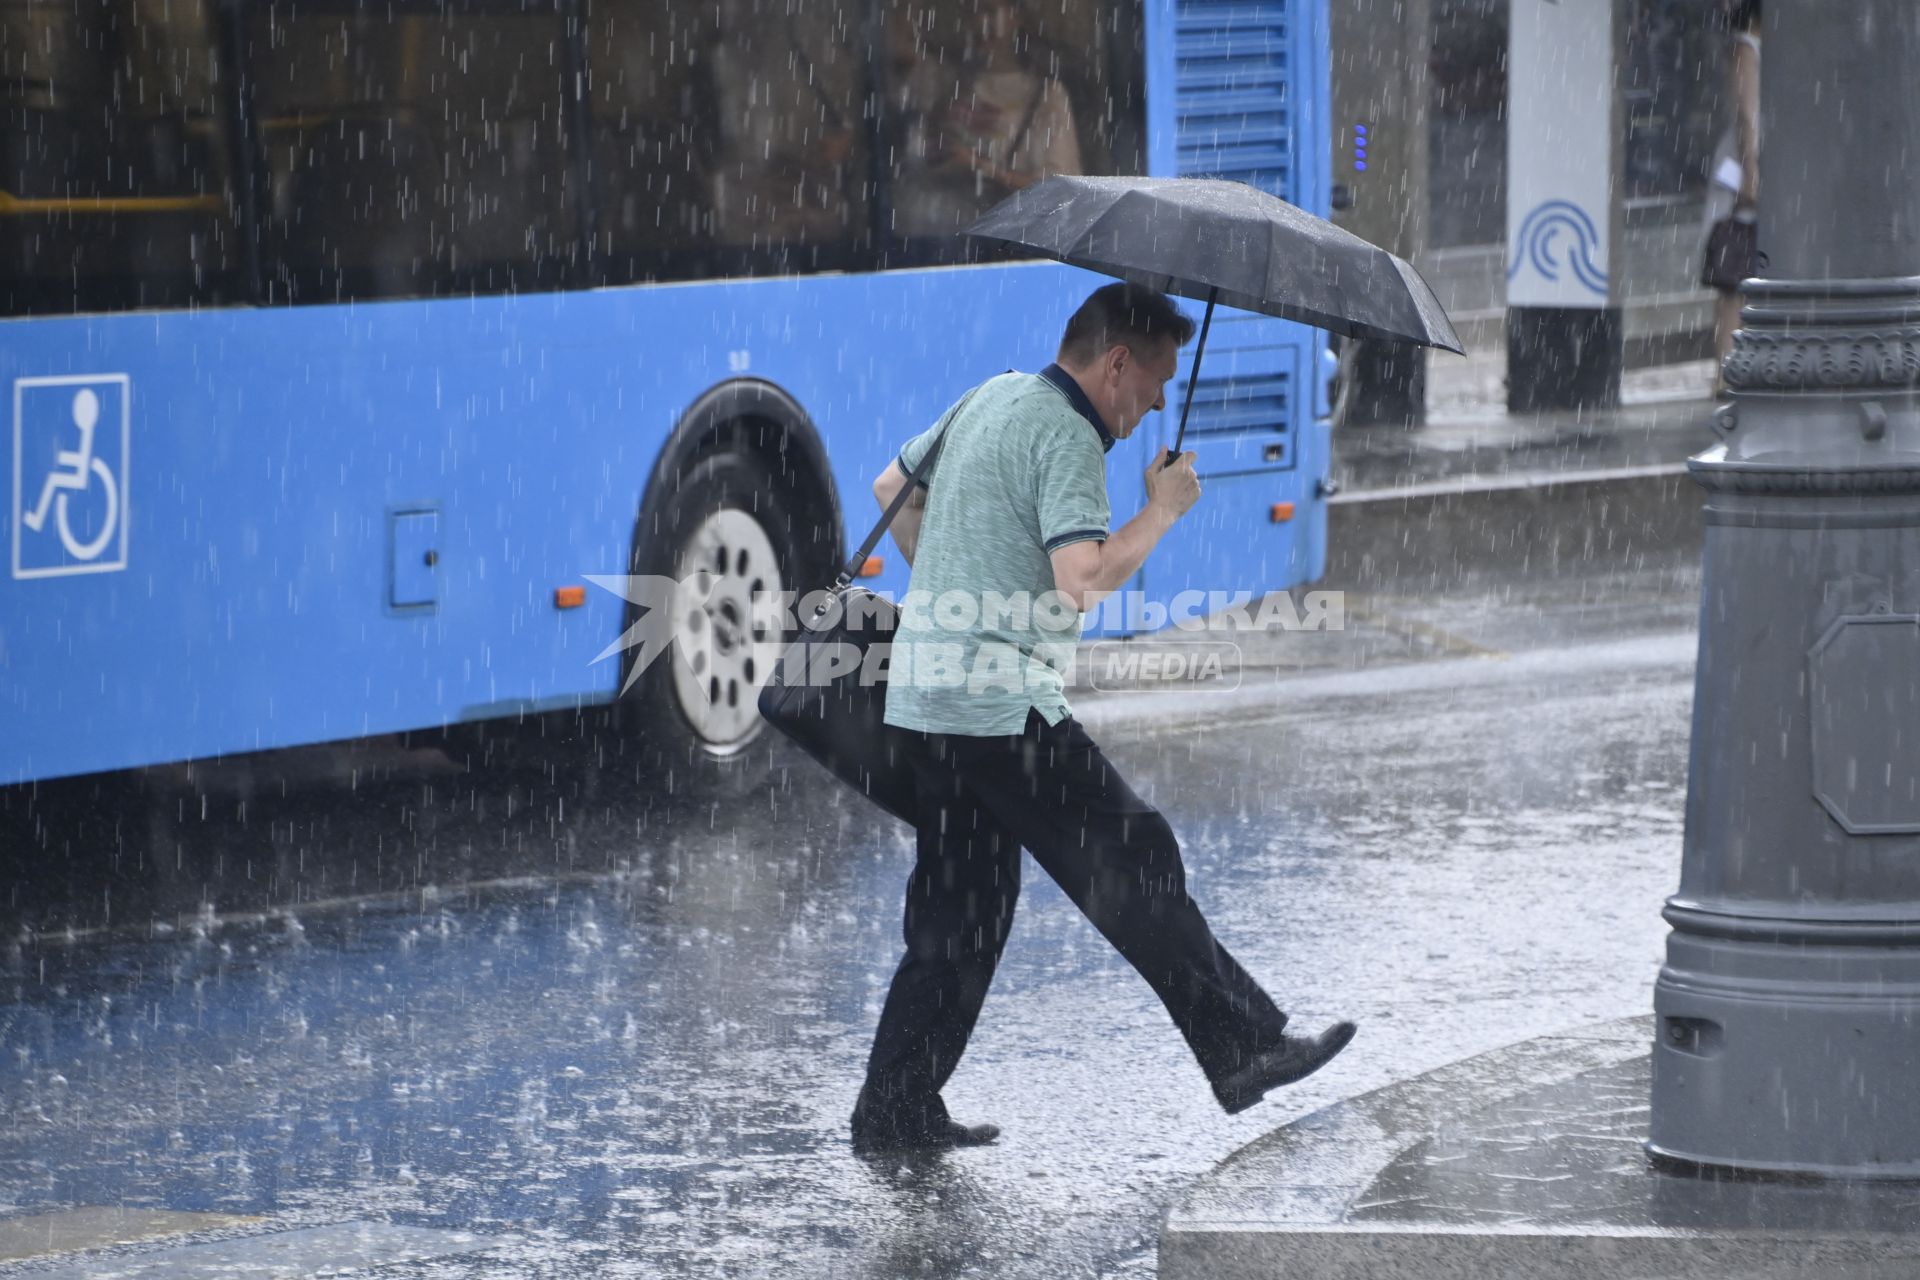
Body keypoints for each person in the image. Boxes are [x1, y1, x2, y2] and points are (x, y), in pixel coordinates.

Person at [850, 284, 1356, 1153]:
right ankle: (1243, 1048)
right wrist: (1162, 508)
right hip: (998, 705)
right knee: (1136, 852)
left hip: (928, 697)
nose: (1157, 402)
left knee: (962, 912)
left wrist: (958, 590)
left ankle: (892, 1111)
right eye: (1154, 380)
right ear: (1116, 363)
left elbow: (893, 482)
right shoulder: (1067, 435)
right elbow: (1081, 579)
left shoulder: (991, 394)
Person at [891, 0, 1083, 238]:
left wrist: (979, 165)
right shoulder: (949, 83)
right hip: (942, 234)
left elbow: (1060, 191)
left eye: (991, 11)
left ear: (1016, 17)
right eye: (973, 11)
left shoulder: (1047, 95)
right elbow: (899, 48)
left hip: (1012, 241)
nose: (981, 22)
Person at [1703, 0, 1761, 396]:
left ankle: (1730, 371)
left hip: (1757, 168)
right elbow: (1747, 117)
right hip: (1746, 172)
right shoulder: (1747, 47)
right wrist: (1751, 172)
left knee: (1740, 277)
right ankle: (1726, 374)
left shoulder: (1754, 47)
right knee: (1735, 279)